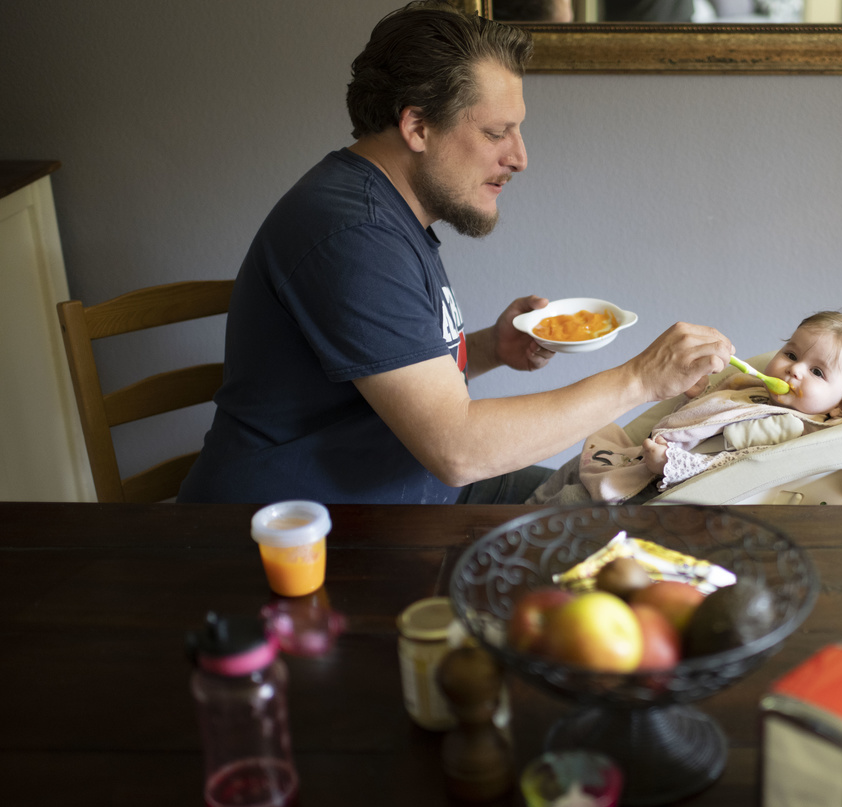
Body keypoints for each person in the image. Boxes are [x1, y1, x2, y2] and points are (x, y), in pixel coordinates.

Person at [178, 1, 732, 505]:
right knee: (619, 525)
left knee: (630, 499)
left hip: (408, 493)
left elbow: (389, 374)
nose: (520, 157)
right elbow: (457, 447)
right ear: (417, 125)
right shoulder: (353, 232)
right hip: (301, 538)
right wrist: (641, 378)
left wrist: (493, 347)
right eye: (497, 132)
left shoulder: (384, 209)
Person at [528, 310, 842, 505]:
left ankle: (521, 537)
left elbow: (732, 463)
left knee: (574, 500)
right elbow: (709, 414)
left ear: (840, 405)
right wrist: (696, 393)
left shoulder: (784, 426)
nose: (794, 369)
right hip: (638, 457)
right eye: (792, 354)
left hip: (663, 488)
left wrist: (669, 465)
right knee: (574, 466)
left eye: (816, 371)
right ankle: (518, 511)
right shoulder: (752, 388)